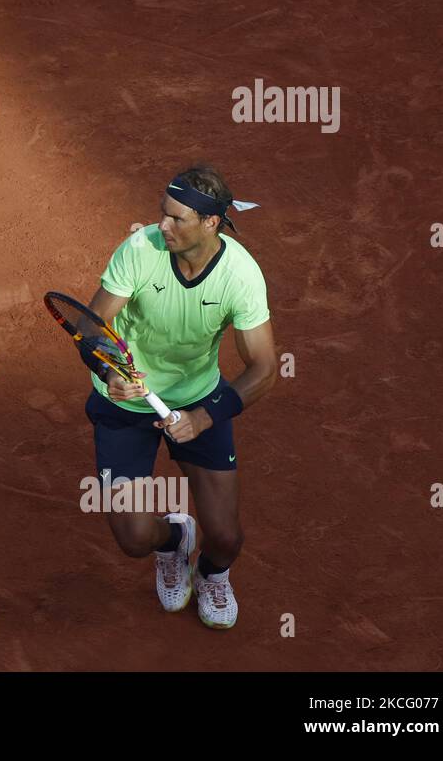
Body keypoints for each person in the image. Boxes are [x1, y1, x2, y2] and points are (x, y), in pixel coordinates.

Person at [80, 164, 277, 629]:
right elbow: (92, 326)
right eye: (161, 214)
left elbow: (265, 369)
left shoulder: (241, 276)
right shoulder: (140, 248)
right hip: (124, 404)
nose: (161, 226)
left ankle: (211, 575)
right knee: (133, 537)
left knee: (227, 539)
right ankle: (174, 540)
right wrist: (108, 372)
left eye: (176, 219)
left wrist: (202, 419)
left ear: (210, 222)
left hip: (196, 399)